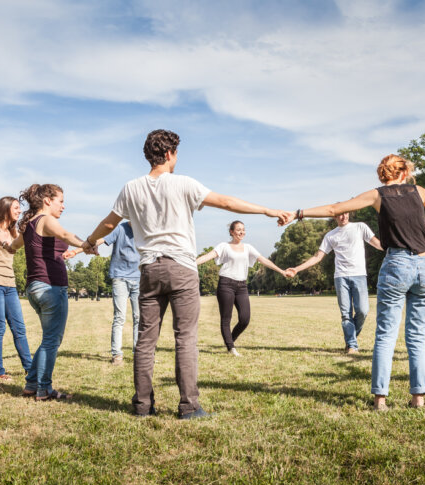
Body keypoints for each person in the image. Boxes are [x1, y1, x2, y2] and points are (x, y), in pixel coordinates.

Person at [82, 129, 291, 419]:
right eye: (177, 153)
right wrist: (267, 210)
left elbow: (108, 224)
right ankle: (189, 406)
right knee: (185, 338)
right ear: (169, 154)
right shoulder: (183, 183)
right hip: (181, 268)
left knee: (146, 340)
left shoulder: (130, 188)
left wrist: (89, 241)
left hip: (149, 270)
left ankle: (142, 405)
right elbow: (227, 203)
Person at [286, 154, 425, 409]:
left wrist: (298, 213)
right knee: (417, 335)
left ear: (382, 174)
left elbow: (333, 209)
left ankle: (380, 400)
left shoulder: (378, 195)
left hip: (397, 263)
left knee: (386, 334)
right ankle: (418, 398)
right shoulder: (418, 192)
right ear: (404, 172)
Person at [8, 184, 89, 401]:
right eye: (60, 201)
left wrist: (7, 246)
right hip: (50, 287)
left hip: (34, 287)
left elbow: (14, 246)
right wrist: (87, 244)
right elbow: (65, 233)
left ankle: (31, 384)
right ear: (47, 201)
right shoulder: (45, 220)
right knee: (52, 340)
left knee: (48, 339)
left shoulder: (29, 225)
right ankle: (44, 389)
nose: (63, 206)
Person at [286, 212, 382, 354]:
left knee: (363, 311)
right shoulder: (330, 235)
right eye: (340, 215)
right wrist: (297, 269)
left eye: (345, 213)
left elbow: (377, 243)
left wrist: (396, 247)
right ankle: (352, 345)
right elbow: (317, 256)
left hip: (359, 275)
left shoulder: (360, 227)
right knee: (346, 314)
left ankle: (350, 338)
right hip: (340, 277)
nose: (343, 217)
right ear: (334, 217)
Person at [196, 220, 288, 357]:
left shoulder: (248, 248)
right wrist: (191, 263)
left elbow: (263, 260)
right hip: (226, 284)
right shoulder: (224, 246)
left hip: (242, 286)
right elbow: (208, 256)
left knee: (245, 318)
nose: (242, 232)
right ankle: (231, 347)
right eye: (238, 229)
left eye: (243, 229)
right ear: (232, 232)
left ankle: (230, 341)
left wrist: (281, 271)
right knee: (226, 318)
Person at [68, 222, 141, 365]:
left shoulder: (144, 229)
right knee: (119, 317)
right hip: (120, 278)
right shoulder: (120, 228)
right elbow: (100, 240)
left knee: (139, 318)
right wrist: (76, 251)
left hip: (139, 278)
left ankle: (139, 354)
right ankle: (117, 354)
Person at [0, 196, 32, 380]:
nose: (19, 211)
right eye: (16, 208)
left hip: (10, 284)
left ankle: (30, 369)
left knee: (19, 328)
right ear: (5, 208)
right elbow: (1, 237)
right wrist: (7, 243)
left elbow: (26, 241)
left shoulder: (14, 231)